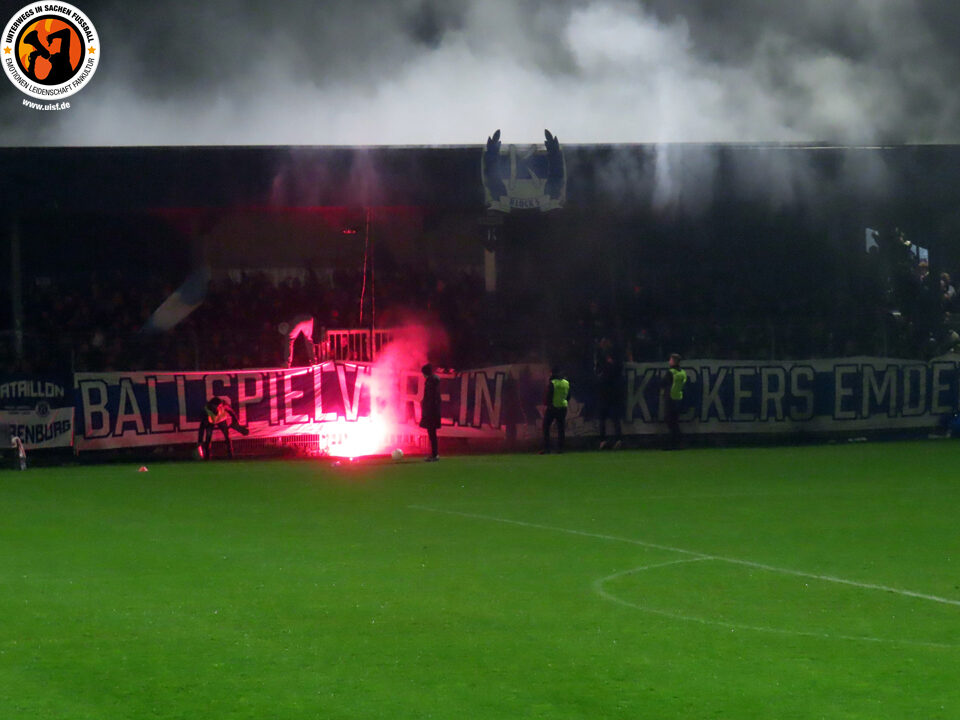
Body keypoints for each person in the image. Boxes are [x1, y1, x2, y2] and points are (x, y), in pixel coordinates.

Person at [197, 396, 248, 460]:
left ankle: (230, 455)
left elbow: (231, 412)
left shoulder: (223, 405)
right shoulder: (206, 410)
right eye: (216, 407)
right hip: (210, 421)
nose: (218, 408)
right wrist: (200, 440)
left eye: (219, 406)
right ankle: (207, 456)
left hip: (221, 420)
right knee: (208, 437)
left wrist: (235, 421)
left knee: (227, 436)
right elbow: (202, 427)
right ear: (212, 406)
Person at [596, 338, 624, 449]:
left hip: (606, 393)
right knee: (614, 418)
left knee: (603, 418)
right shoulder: (615, 360)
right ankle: (618, 439)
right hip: (613, 393)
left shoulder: (603, 362)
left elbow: (600, 373)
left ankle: (603, 440)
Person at [541, 366, 570, 454]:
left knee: (546, 427)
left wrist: (546, 404)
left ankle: (547, 448)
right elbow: (568, 395)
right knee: (561, 428)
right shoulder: (566, 382)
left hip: (552, 407)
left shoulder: (552, 383)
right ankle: (560, 448)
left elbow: (549, 395)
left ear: (552, 373)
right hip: (563, 407)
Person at [661, 353, 687, 449]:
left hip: (670, 398)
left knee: (670, 421)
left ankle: (673, 443)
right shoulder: (683, 372)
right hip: (678, 398)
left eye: (670, 360)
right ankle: (678, 442)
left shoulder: (671, 372)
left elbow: (663, 383)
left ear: (673, 361)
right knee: (675, 421)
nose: (669, 361)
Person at [419, 364, 441, 461]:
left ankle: (434, 455)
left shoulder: (430, 384)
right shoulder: (433, 383)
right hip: (434, 412)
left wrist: (425, 407)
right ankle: (434, 454)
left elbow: (430, 399)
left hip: (431, 413)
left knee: (432, 434)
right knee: (432, 434)